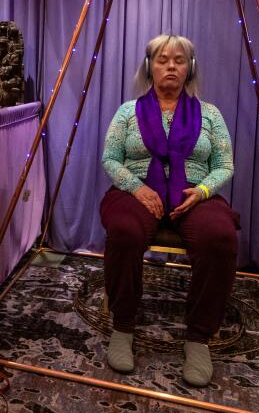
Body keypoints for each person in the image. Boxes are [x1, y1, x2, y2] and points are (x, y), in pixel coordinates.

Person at [99, 34, 239, 387]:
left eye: (179, 60)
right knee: (125, 233)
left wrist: (203, 190)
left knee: (219, 237)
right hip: (136, 192)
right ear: (150, 67)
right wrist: (137, 188)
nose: (171, 66)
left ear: (189, 68)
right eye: (162, 59)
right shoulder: (128, 111)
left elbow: (225, 164)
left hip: (193, 195)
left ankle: (198, 338)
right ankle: (123, 326)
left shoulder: (210, 114)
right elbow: (110, 158)